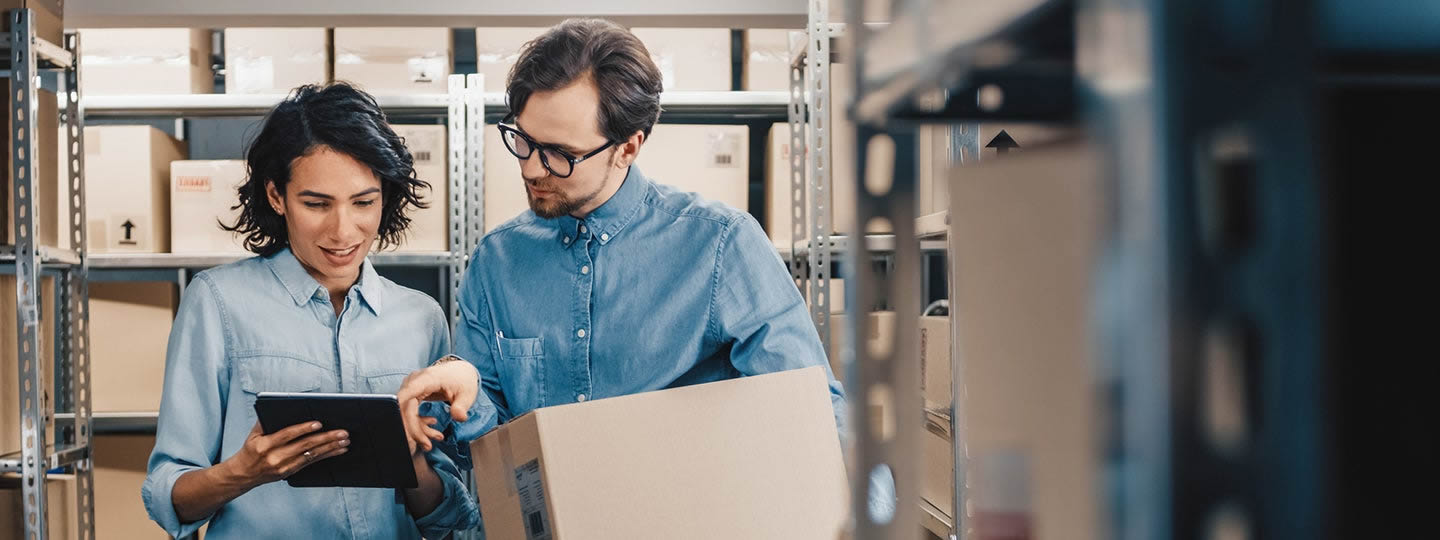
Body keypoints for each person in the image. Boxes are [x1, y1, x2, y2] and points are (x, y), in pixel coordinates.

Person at [396, 18, 846, 450]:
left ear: (628, 147)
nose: (532, 168)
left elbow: (816, 416)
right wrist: (466, 393)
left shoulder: (722, 246)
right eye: (523, 140)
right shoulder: (498, 260)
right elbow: (489, 443)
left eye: (559, 153)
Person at [141, 83, 478, 539]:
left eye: (364, 202)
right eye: (316, 204)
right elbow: (169, 497)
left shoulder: (421, 318)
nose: (343, 231)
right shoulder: (218, 302)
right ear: (277, 196)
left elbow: (447, 519)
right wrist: (244, 471)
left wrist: (411, 458)